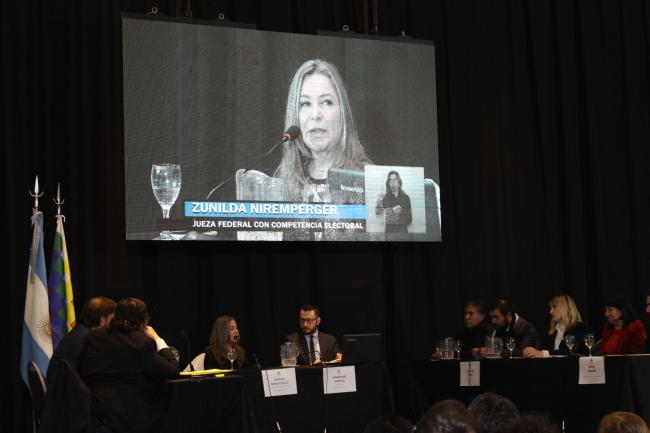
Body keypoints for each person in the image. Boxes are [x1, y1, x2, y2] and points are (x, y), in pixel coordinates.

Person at [274, 59, 371, 203]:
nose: (315, 114)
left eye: (326, 102)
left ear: (342, 112)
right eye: (305, 103)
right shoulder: (282, 183)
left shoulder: (369, 180)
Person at [78, 297, 179, 433]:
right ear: (144, 321)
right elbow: (172, 371)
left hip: (93, 416)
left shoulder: (93, 337)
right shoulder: (141, 343)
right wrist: (157, 339)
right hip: (127, 421)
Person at [46, 296, 116, 384]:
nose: (112, 326)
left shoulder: (78, 332)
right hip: (66, 394)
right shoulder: (91, 340)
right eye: (111, 320)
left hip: (58, 391)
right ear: (102, 321)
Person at [522, 294, 588, 357]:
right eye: (550, 308)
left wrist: (541, 353)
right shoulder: (554, 332)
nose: (550, 311)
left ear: (565, 308)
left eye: (554, 307)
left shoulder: (578, 328)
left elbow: (569, 351)